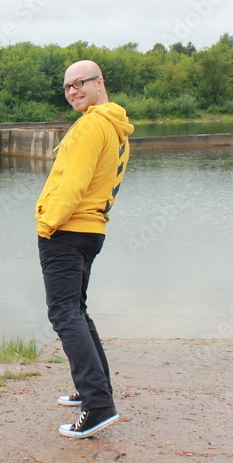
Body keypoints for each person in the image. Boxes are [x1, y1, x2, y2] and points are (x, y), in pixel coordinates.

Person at [36, 59, 134, 438]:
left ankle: (98, 405)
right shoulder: (114, 126)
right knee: (76, 310)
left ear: (99, 83)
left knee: (63, 314)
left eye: (80, 83)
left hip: (67, 229)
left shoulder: (91, 125)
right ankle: (93, 388)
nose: (73, 91)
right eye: (67, 87)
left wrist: (47, 224)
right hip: (91, 230)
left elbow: (74, 182)